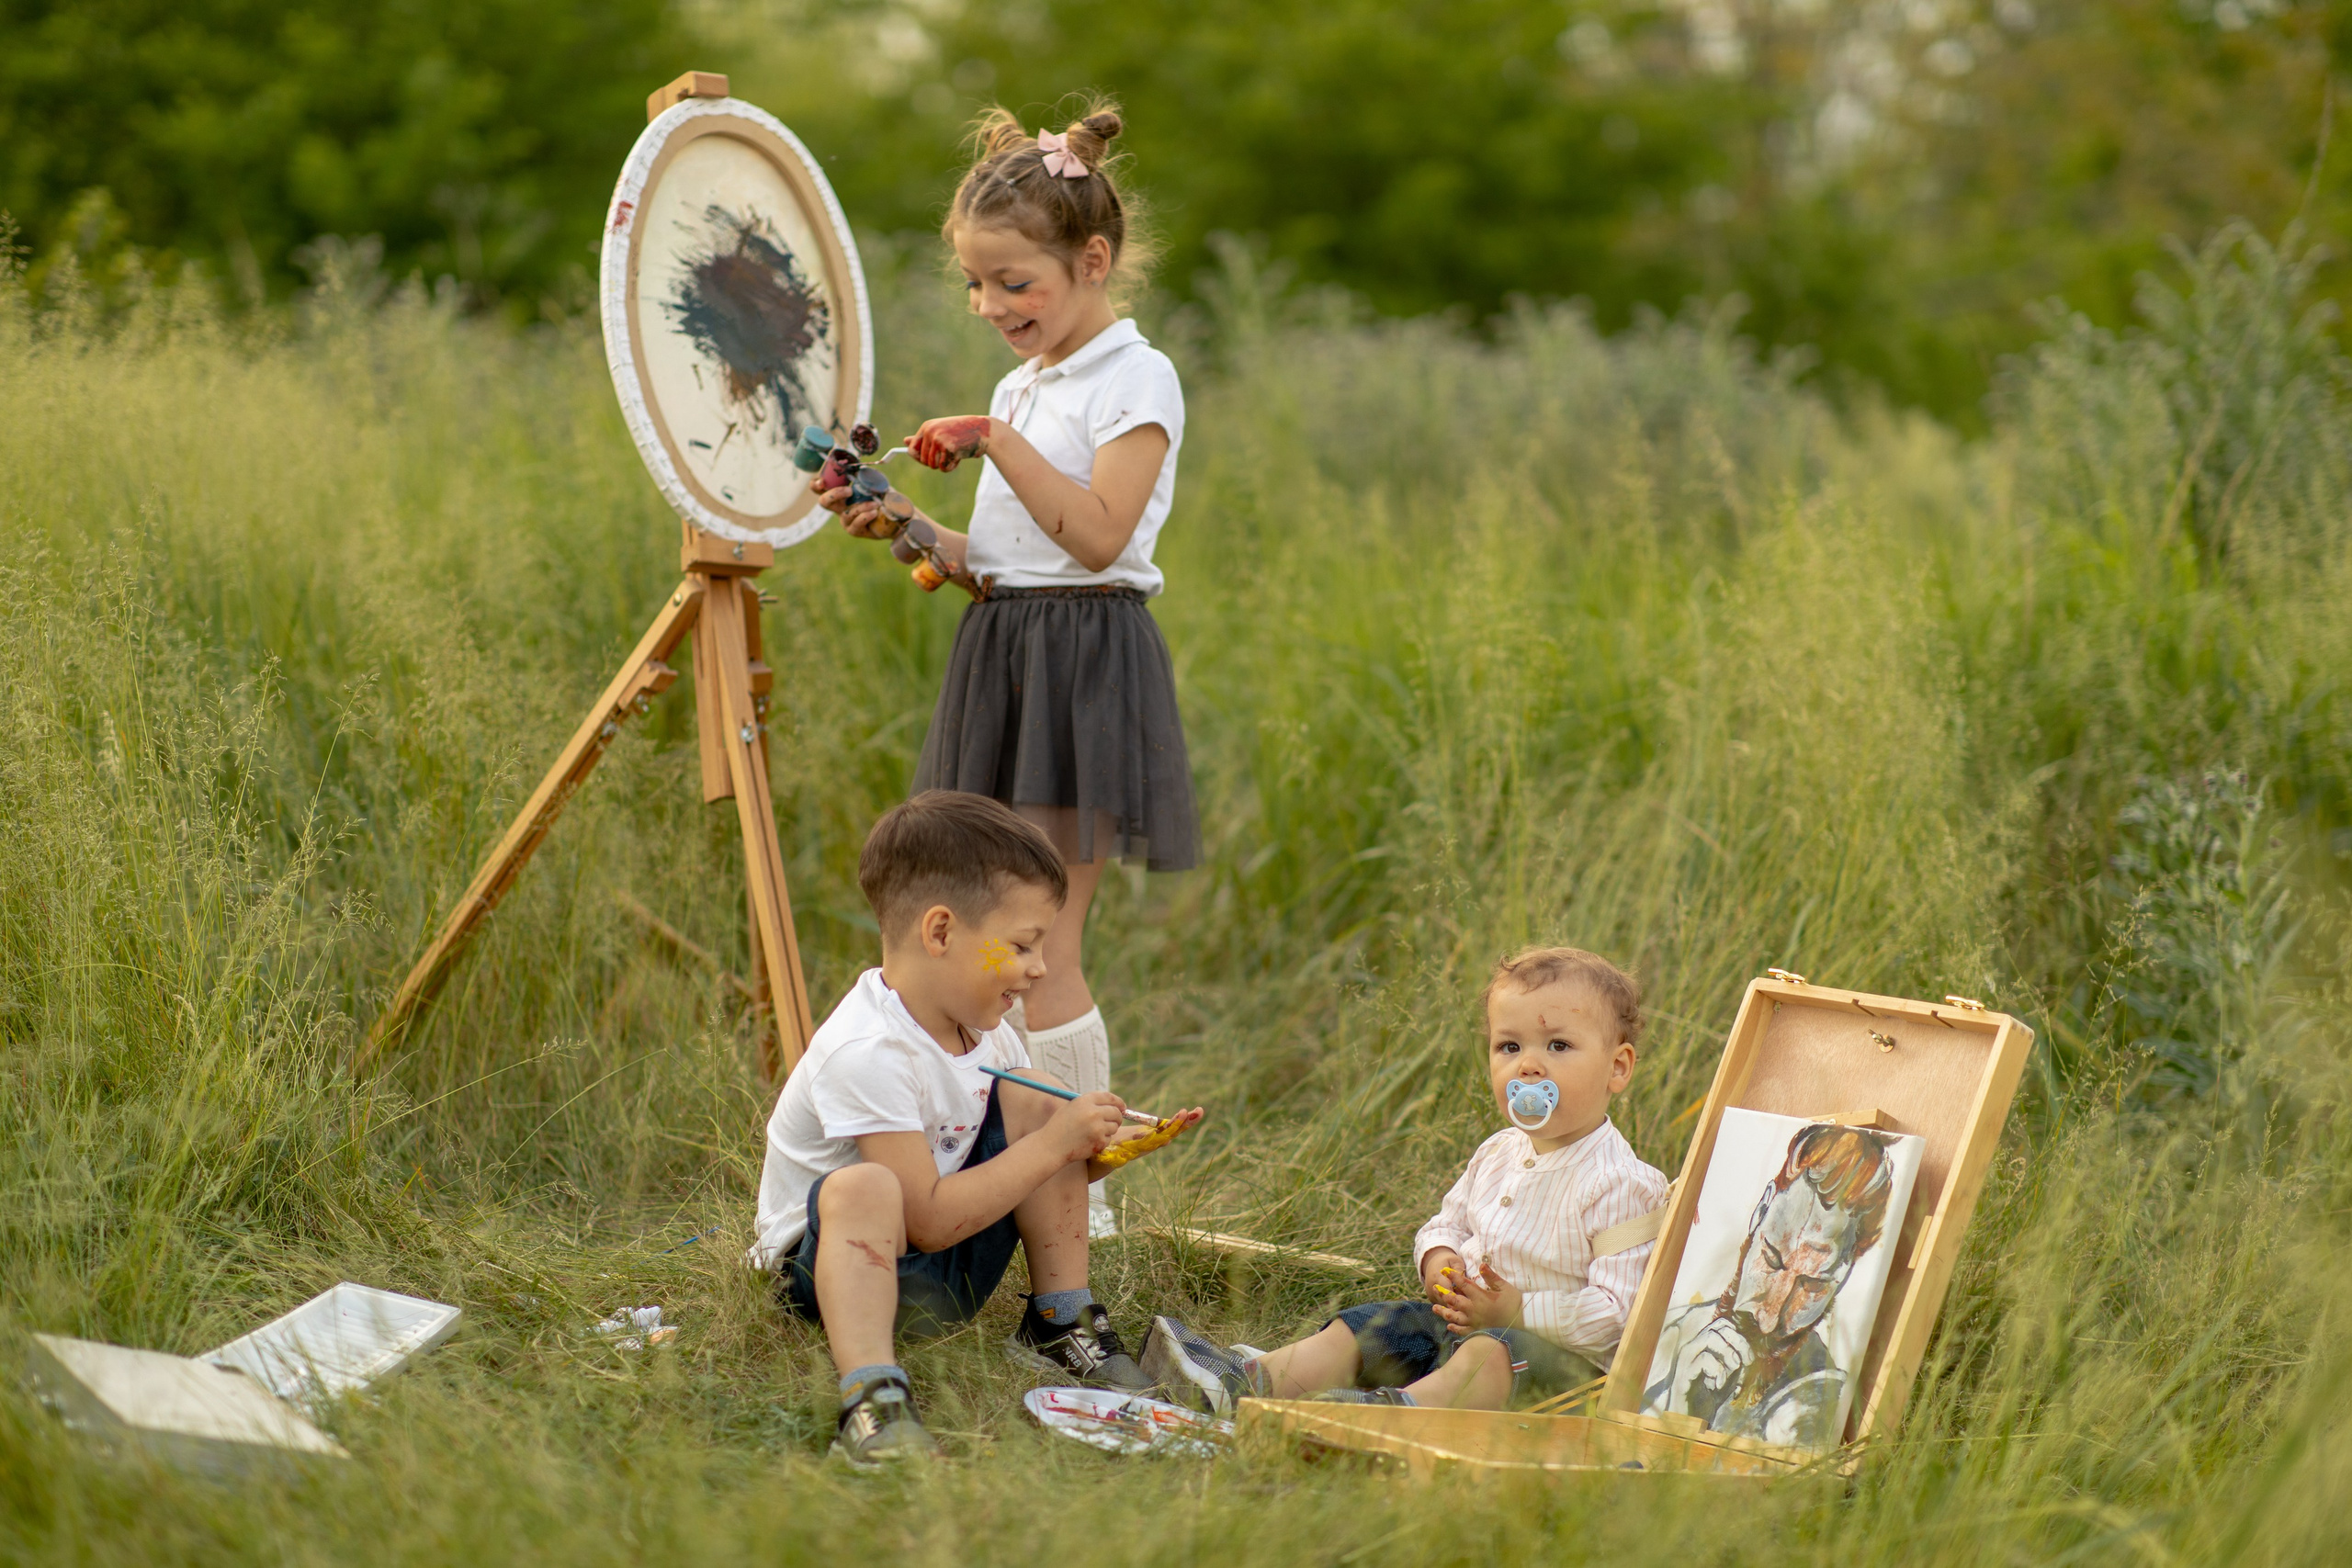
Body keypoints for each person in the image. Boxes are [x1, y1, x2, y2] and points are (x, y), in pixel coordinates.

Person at [816, 98, 1195, 1239]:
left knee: (1042, 943)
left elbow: (1097, 537)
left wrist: (994, 438)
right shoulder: (1025, 390)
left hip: (1084, 661)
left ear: (1093, 263)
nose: (990, 306)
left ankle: (1078, 1195)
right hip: (1006, 650)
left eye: (1014, 282)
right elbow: (1003, 559)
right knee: (990, 937)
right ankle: (1018, 1169)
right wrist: (906, 523)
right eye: (976, 285)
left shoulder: (1138, 377)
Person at [746, 791, 1202, 1466]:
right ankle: (873, 1396)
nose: (1039, 966)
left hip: (938, 1265)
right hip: (830, 1276)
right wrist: (1053, 1145)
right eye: (1022, 944)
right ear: (940, 932)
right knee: (866, 1185)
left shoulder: (988, 1036)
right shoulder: (867, 1049)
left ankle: (1059, 1322)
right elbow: (925, 1219)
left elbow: (1020, 1175)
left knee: (1038, 1102)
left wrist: (1088, 1150)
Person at [1141, 947, 1668, 1415]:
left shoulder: (1621, 1184)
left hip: (1557, 1375)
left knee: (1490, 1354)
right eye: (1509, 1047)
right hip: (1463, 1331)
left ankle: (1395, 1415)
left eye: (1558, 1046)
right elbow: (1447, 1224)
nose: (1529, 1066)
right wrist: (1440, 1260)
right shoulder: (1497, 1153)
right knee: (1379, 1323)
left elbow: (1619, 1315)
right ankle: (1249, 1382)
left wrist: (1518, 1312)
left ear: (1617, 1068)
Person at [1643, 1122, 1898, 1450]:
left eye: (1811, 1285)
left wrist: (1683, 1421)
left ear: (1845, 1272)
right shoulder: (1667, 1329)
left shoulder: (1812, 1406)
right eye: (1772, 1258)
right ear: (1761, 1210)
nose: (1768, 1318)